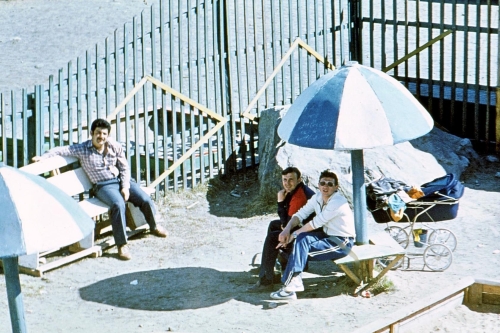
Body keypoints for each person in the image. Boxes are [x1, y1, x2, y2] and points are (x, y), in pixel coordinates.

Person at [33, 118, 168, 260]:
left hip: (121, 181)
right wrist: (43, 157)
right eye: (98, 133)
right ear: (91, 133)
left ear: (108, 135)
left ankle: (154, 226)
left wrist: (126, 187)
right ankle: (122, 245)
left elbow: (124, 167)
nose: (101, 137)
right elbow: (61, 150)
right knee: (118, 204)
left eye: (104, 134)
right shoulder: (83, 149)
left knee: (144, 198)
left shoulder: (114, 146)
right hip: (103, 186)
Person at [270, 169, 355, 300]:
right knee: (301, 241)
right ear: (319, 185)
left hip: (342, 242)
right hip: (327, 236)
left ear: (336, 187)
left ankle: (290, 287)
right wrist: (287, 229)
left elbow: (316, 223)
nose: (325, 186)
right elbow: (300, 214)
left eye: (330, 184)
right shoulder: (317, 197)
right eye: (323, 183)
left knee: (298, 247)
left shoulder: (338, 202)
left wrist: (293, 235)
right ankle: (292, 284)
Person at [247, 167, 315, 292]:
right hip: (304, 228)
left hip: (308, 234)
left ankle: (266, 281)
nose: (287, 183)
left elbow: (287, 224)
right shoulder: (297, 190)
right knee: (273, 225)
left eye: (291, 180)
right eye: (285, 180)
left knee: (272, 237)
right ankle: (275, 266)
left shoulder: (299, 196)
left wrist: (280, 201)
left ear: (299, 180)